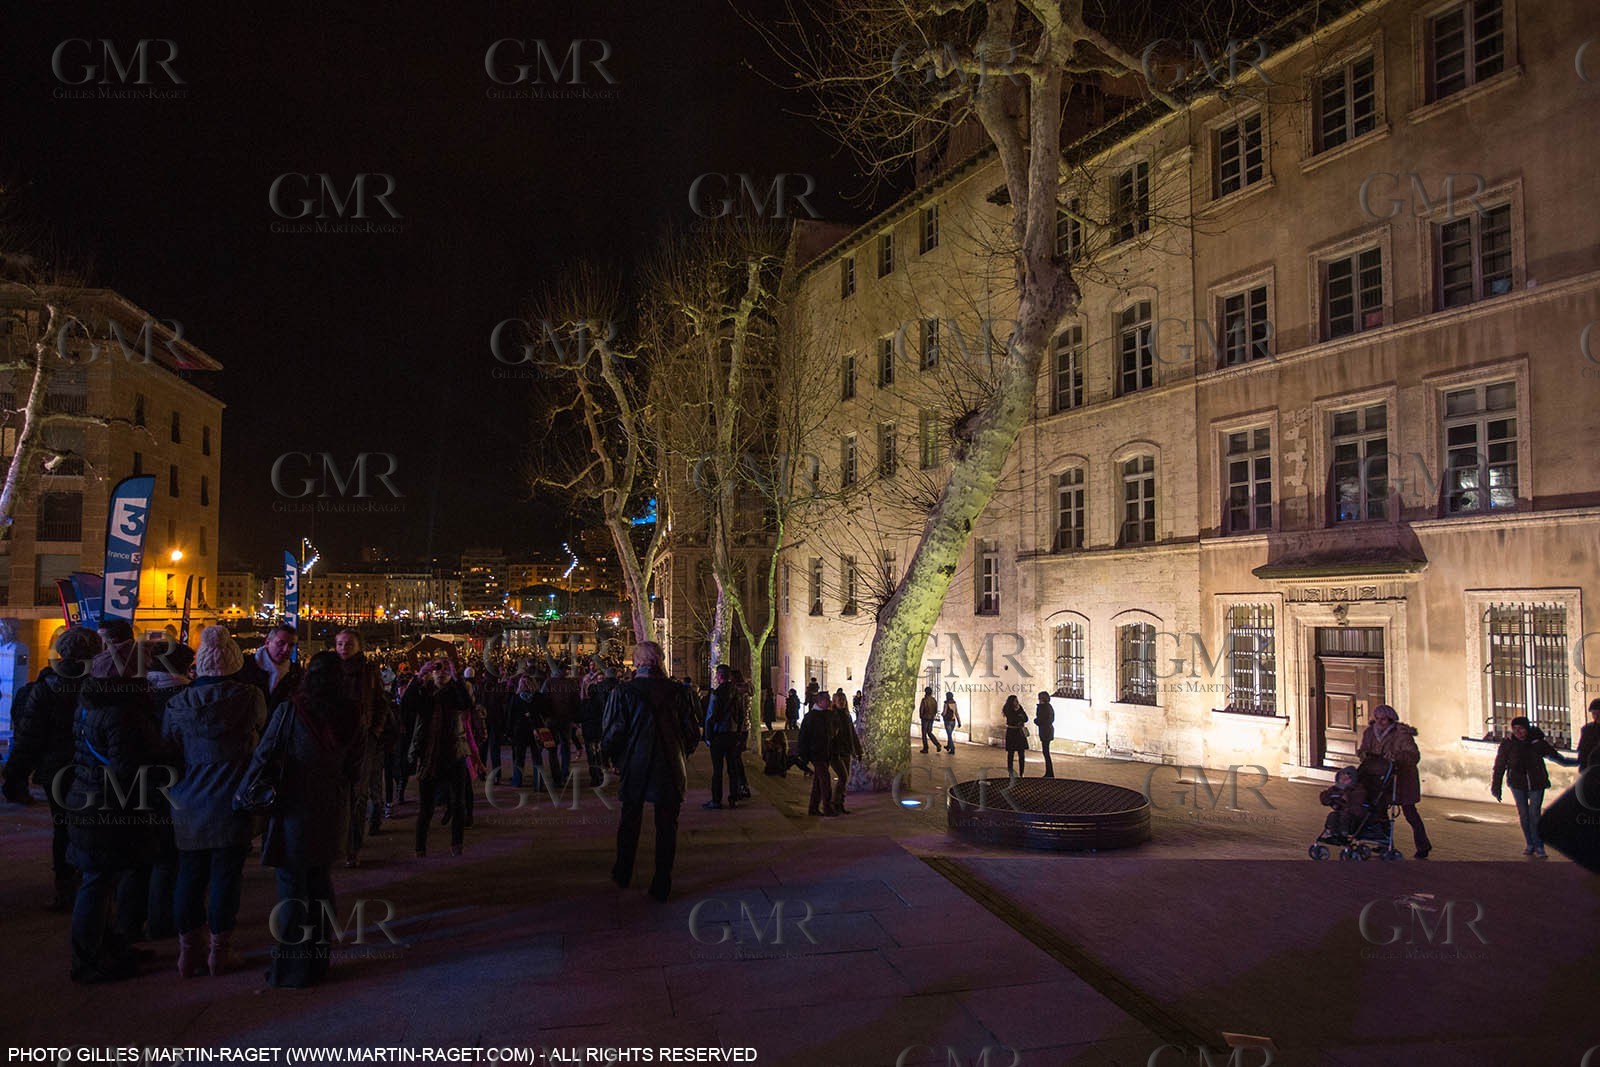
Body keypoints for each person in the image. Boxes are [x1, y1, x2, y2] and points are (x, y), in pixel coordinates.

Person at [250, 651, 363, 988]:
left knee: (292, 889)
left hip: (293, 808)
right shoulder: (353, 716)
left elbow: (264, 755)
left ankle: (292, 967)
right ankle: (317, 961)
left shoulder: (290, 712)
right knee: (320, 885)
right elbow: (355, 768)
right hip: (331, 809)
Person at [163, 626, 267, 977]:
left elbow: (169, 748)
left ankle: (187, 952)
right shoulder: (250, 697)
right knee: (227, 877)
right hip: (232, 799)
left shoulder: (177, 703)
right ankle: (219, 952)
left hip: (188, 801)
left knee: (188, 876)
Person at [63, 633, 161, 983]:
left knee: (102, 883)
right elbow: (127, 768)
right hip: (106, 809)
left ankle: (108, 949)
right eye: (144, 666)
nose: (149, 671)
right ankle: (88, 961)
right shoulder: (121, 713)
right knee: (97, 884)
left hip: (89, 801)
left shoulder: (91, 703)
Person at [3, 628, 98, 911]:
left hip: (56, 770)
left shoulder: (46, 686)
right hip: (91, 769)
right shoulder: (102, 684)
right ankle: (91, 886)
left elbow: (29, 735)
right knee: (95, 827)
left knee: (62, 828)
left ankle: (66, 889)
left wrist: (15, 774)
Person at [601, 640, 700, 901]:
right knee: (667, 826)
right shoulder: (680, 693)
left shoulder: (624, 692)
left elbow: (613, 732)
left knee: (630, 821)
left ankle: (623, 871)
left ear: (638, 662)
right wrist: (681, 752)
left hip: (636, 764)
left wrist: (612, 758)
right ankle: (662, 881)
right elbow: (692, 733)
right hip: (669, 764)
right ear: (660, 661)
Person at [335, 629, 394, 867]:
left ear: (358, 647)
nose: (343, 648)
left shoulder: (368, 673)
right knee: (336, 794)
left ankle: (352, 848)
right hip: (335, 740)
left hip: (363, 739)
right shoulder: (329, 672)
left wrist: (373, 732)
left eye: (348, 644)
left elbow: (381, 703)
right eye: (339, 643)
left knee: (358, 796)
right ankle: (336, 842)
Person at [410, 660, 475, 857]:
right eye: (437, 669)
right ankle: (420, 847)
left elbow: (466, 703)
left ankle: (457, 843)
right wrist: (418, 676)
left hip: (454, 752)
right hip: (430, 754)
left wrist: (457, 678)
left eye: (445, 670)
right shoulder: (426, 692)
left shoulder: (454, 692)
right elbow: (408, 704)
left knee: (458, 802)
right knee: (426, 807)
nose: (441, 673)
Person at [1356, 703, 1432, 859]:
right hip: (1380, 779)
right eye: (1378, 719)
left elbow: (1413, 756)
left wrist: (1397, 757)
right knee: (1379, 809)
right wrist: (1365, 755)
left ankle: (1423, 845)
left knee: (1410, 812)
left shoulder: (1401, 734)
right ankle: (1384, 842)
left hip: (1402, 779)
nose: (1381, 722)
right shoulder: (1370, 732)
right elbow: (1363, 749)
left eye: (1385, 719)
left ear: (1391, 719)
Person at [1492, 715, 1571, 858]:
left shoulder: (1537, 743)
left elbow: (1557, 758)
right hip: (1517, 784)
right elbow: (1499, 766)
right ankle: (1530, 844)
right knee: (1524, 815)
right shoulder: (1508, 744)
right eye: (1515, 729)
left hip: (1536, 783)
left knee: (1535, 814)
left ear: (1527, 729)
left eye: (1521, 729)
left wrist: (1578, 762)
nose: (1518, 732)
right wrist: (1496, 787)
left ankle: (1539, 846)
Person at [703, 664, 741, 810]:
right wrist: (738, 732)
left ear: (719, 676)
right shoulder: (736, 692)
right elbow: (741, 714)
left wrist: (707, 736)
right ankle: (733, 797)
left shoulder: (717, 693)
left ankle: (716, 800)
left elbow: (710, 716)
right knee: (733, 768)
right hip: (732, 734)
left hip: (719, 735)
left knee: (717, 770)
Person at [238, 624, 303, 709]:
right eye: (281, 643)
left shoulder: (295, 673)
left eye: (291, 645)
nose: (286, 649)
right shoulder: (244, 666)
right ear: (267, 642)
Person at [540, 662, 581, 787]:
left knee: (553, 748)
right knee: (564, 746)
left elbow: (543, 700)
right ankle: (563, 772)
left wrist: (545, 716)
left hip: (553, 719)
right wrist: (575, 718)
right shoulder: (570, 683)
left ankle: (558, 775)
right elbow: (576, 702)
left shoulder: (549, 683)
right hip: (565, 719)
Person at [798, 694, 835, 816]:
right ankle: (827, 807)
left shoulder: (828, 715)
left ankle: (813, 808)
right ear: (820, 702)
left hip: (826, 752)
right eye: (827, 700)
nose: (829, 702)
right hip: (816, 753)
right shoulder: (811, 717)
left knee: (818, 782)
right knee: (825, 780)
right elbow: (803, 737)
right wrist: (804, 755)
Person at [829, 689, 862, 814]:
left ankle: (840, 803)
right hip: (836, 752)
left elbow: (852, 734)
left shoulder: (847, 716)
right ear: (835, 702)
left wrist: (858, 751)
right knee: (843, 777)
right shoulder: (833, 716)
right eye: (839, 700)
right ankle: (834, 802)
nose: (842, 702)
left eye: (843, 700)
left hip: (846, 751)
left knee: (844, 778)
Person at [506, 674, 540, 787]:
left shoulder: (516, 699)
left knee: (520, 757)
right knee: (536, 758)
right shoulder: (537, 697)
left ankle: (517, 781)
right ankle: (538, 782)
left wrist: (509, 732)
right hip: (535, 729)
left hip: (520, 730)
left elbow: (510, 716)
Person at [1318, 766, 1369, 839]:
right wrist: (1328, 799)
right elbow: (1325, 795)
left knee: (1344, 817)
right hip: (1341, 809)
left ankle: (1344, 833)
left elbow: (1357, 802)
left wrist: (1347, 799)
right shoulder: (1335, 788)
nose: (1342, 781)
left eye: (1346, 779)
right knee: (1333, 815)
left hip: (1353, 813)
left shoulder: (1358, 789)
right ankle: (1330, 831)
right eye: (1341, 778)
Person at [1002, 695, 1029, 777]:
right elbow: (1013, 719)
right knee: (1011, 753)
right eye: (1015, 701)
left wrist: (1020, 716)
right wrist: (1019, 716)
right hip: (1012, 733)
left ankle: (1022, 773)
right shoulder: (1008, 709)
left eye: (1017, 700)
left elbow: (1026, 718)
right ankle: (1010, 773)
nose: (1017, 702)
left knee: (1021, 753)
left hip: (1019, 733)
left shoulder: (1019, 707)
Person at [1034, 692, 1056, 778]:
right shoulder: (1048, 707)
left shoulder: (1043, 708)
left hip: (1045, 731)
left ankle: (1049, 772)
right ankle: (1049, 772)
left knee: (1046, 752)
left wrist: (1036, 721)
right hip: (1048, 731)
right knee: (1046, 752)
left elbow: (1042, 719)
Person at [1577, 699, 1600, 772]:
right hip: (1590, 769)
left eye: (1599, 714)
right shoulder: (1587, 729)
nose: (1596, 717)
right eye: (1594, 714)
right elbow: (1582, 750)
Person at [919, 687, 942, 753]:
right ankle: (937, 744)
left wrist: (921, 716)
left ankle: (925, 748)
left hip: (925, 718)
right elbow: (936, 709)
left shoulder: (924, 700)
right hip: (931, 718)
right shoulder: (934, 700)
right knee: (929, 732)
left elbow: (922, 709)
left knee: (924, 734)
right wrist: (933, 715)